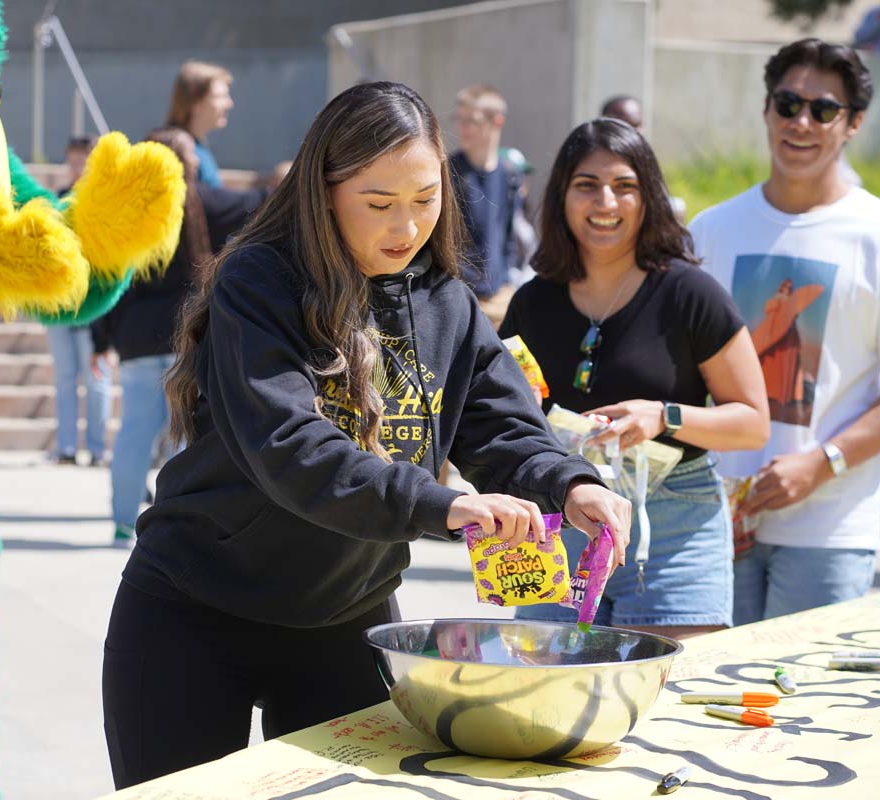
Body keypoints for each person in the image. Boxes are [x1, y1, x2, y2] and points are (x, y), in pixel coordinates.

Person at [100, 81, 632, 785]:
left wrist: (571, 482)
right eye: (379, 204)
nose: (406, 228)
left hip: (346, 625)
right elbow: (293, 451)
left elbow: (503, 428)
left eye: (425, 199)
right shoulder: (259, 285)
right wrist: (444, 507)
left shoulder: (447, 304)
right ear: (324, 191)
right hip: (195, 616)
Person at [690, 38, 880, 625]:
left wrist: (821, 463)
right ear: (766, 110)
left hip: (831, 529)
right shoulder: (710, 230)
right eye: (787, 104)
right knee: (703, 704)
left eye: (824, 109)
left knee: (803, 706)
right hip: (714, 520)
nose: (801, 122)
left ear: (853, 123)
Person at [502, 118, 769, 639]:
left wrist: (662, 416)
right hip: (560, 517)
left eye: (625, 186)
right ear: (561, 196)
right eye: (587, 186)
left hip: (672, 526)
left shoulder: (691, 293)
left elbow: (753, 423)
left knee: (670, 706)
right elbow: (506, 417)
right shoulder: (532, 303)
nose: (606, 202)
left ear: (648, 197)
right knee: (552, 703)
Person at [92, 128, 265, 544]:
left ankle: (121, 522)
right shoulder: (200, 202)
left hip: (135, 337)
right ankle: (174, 517)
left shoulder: (129, 211)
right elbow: (258, 203)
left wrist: (101, 340)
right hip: (185, 336)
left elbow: (107, 272)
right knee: (183, 431)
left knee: (134, 430)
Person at [45, 135, 113, 466]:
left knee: (96, 378)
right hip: (60, 303)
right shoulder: (58, 199)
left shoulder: (102, 202)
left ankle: (98, 449)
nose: (76, 167)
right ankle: (67, 448)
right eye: (72, 161)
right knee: (64, 377)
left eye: (82, 160)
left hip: (93, 305)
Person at [448, 84, 526, 327]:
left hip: (499, 295)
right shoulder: (448, 171)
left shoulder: (510, 173)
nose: (463, 128)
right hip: (460, 297)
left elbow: (509, 234)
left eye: (472, 120)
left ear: (497, 122)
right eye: (459, 119)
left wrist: (507, 281)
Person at [165, 60, 233, 189]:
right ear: (195, 102)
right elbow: (210, 200)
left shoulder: (197, 145)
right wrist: (263, 194)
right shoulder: (178, 149)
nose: (229, 103)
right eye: (220, 96)